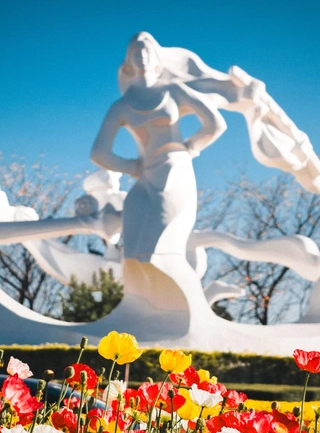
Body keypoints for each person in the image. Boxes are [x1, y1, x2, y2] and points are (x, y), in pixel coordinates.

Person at [91, 32, 227, 262]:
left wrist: (189, 149)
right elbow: (98, 153)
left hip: (175, 171)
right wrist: (133, 167)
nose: (142, 56)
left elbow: (215, 124)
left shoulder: (174, 90)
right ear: (128, 62)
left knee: (158, 250)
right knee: (133, 255)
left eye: (147, 50)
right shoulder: (121, 106)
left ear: (157, 58)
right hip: (145, 179)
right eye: (136, 52)